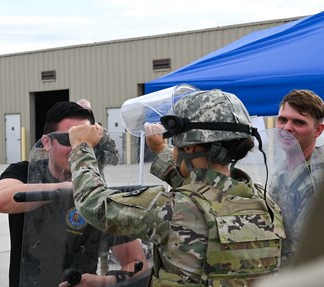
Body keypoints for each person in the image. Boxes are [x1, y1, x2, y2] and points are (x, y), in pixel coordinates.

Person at [69, 89, 286, 286]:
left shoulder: (172, 209)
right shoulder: (265, 203)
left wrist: (81, 148)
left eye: (175, 143)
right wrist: (162, 149)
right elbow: (205, 192)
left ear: (189, 147)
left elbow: (94, 203)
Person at [0, 101, 148, 287]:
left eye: (86, 142)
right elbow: (2, 199)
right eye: (70, 140)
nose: (77, 148)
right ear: (47, 143)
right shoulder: (25, 172)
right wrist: (68, 188)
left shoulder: (98, 193)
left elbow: (137, 263)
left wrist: (102, 282)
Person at [268, 89, 324, 264]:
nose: (286, 128)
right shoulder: (282, 171)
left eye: (298, 122)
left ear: (318, 130)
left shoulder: (317, 177)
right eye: (282, 120)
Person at [76, 98, 119, 275]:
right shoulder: (70, 131)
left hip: (96, 185)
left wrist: (98, 153)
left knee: (99, 230)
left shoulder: (100, 132)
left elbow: (115, 158)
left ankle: (104, 269)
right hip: (72, 186)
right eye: (79, 110)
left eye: (86, 111)